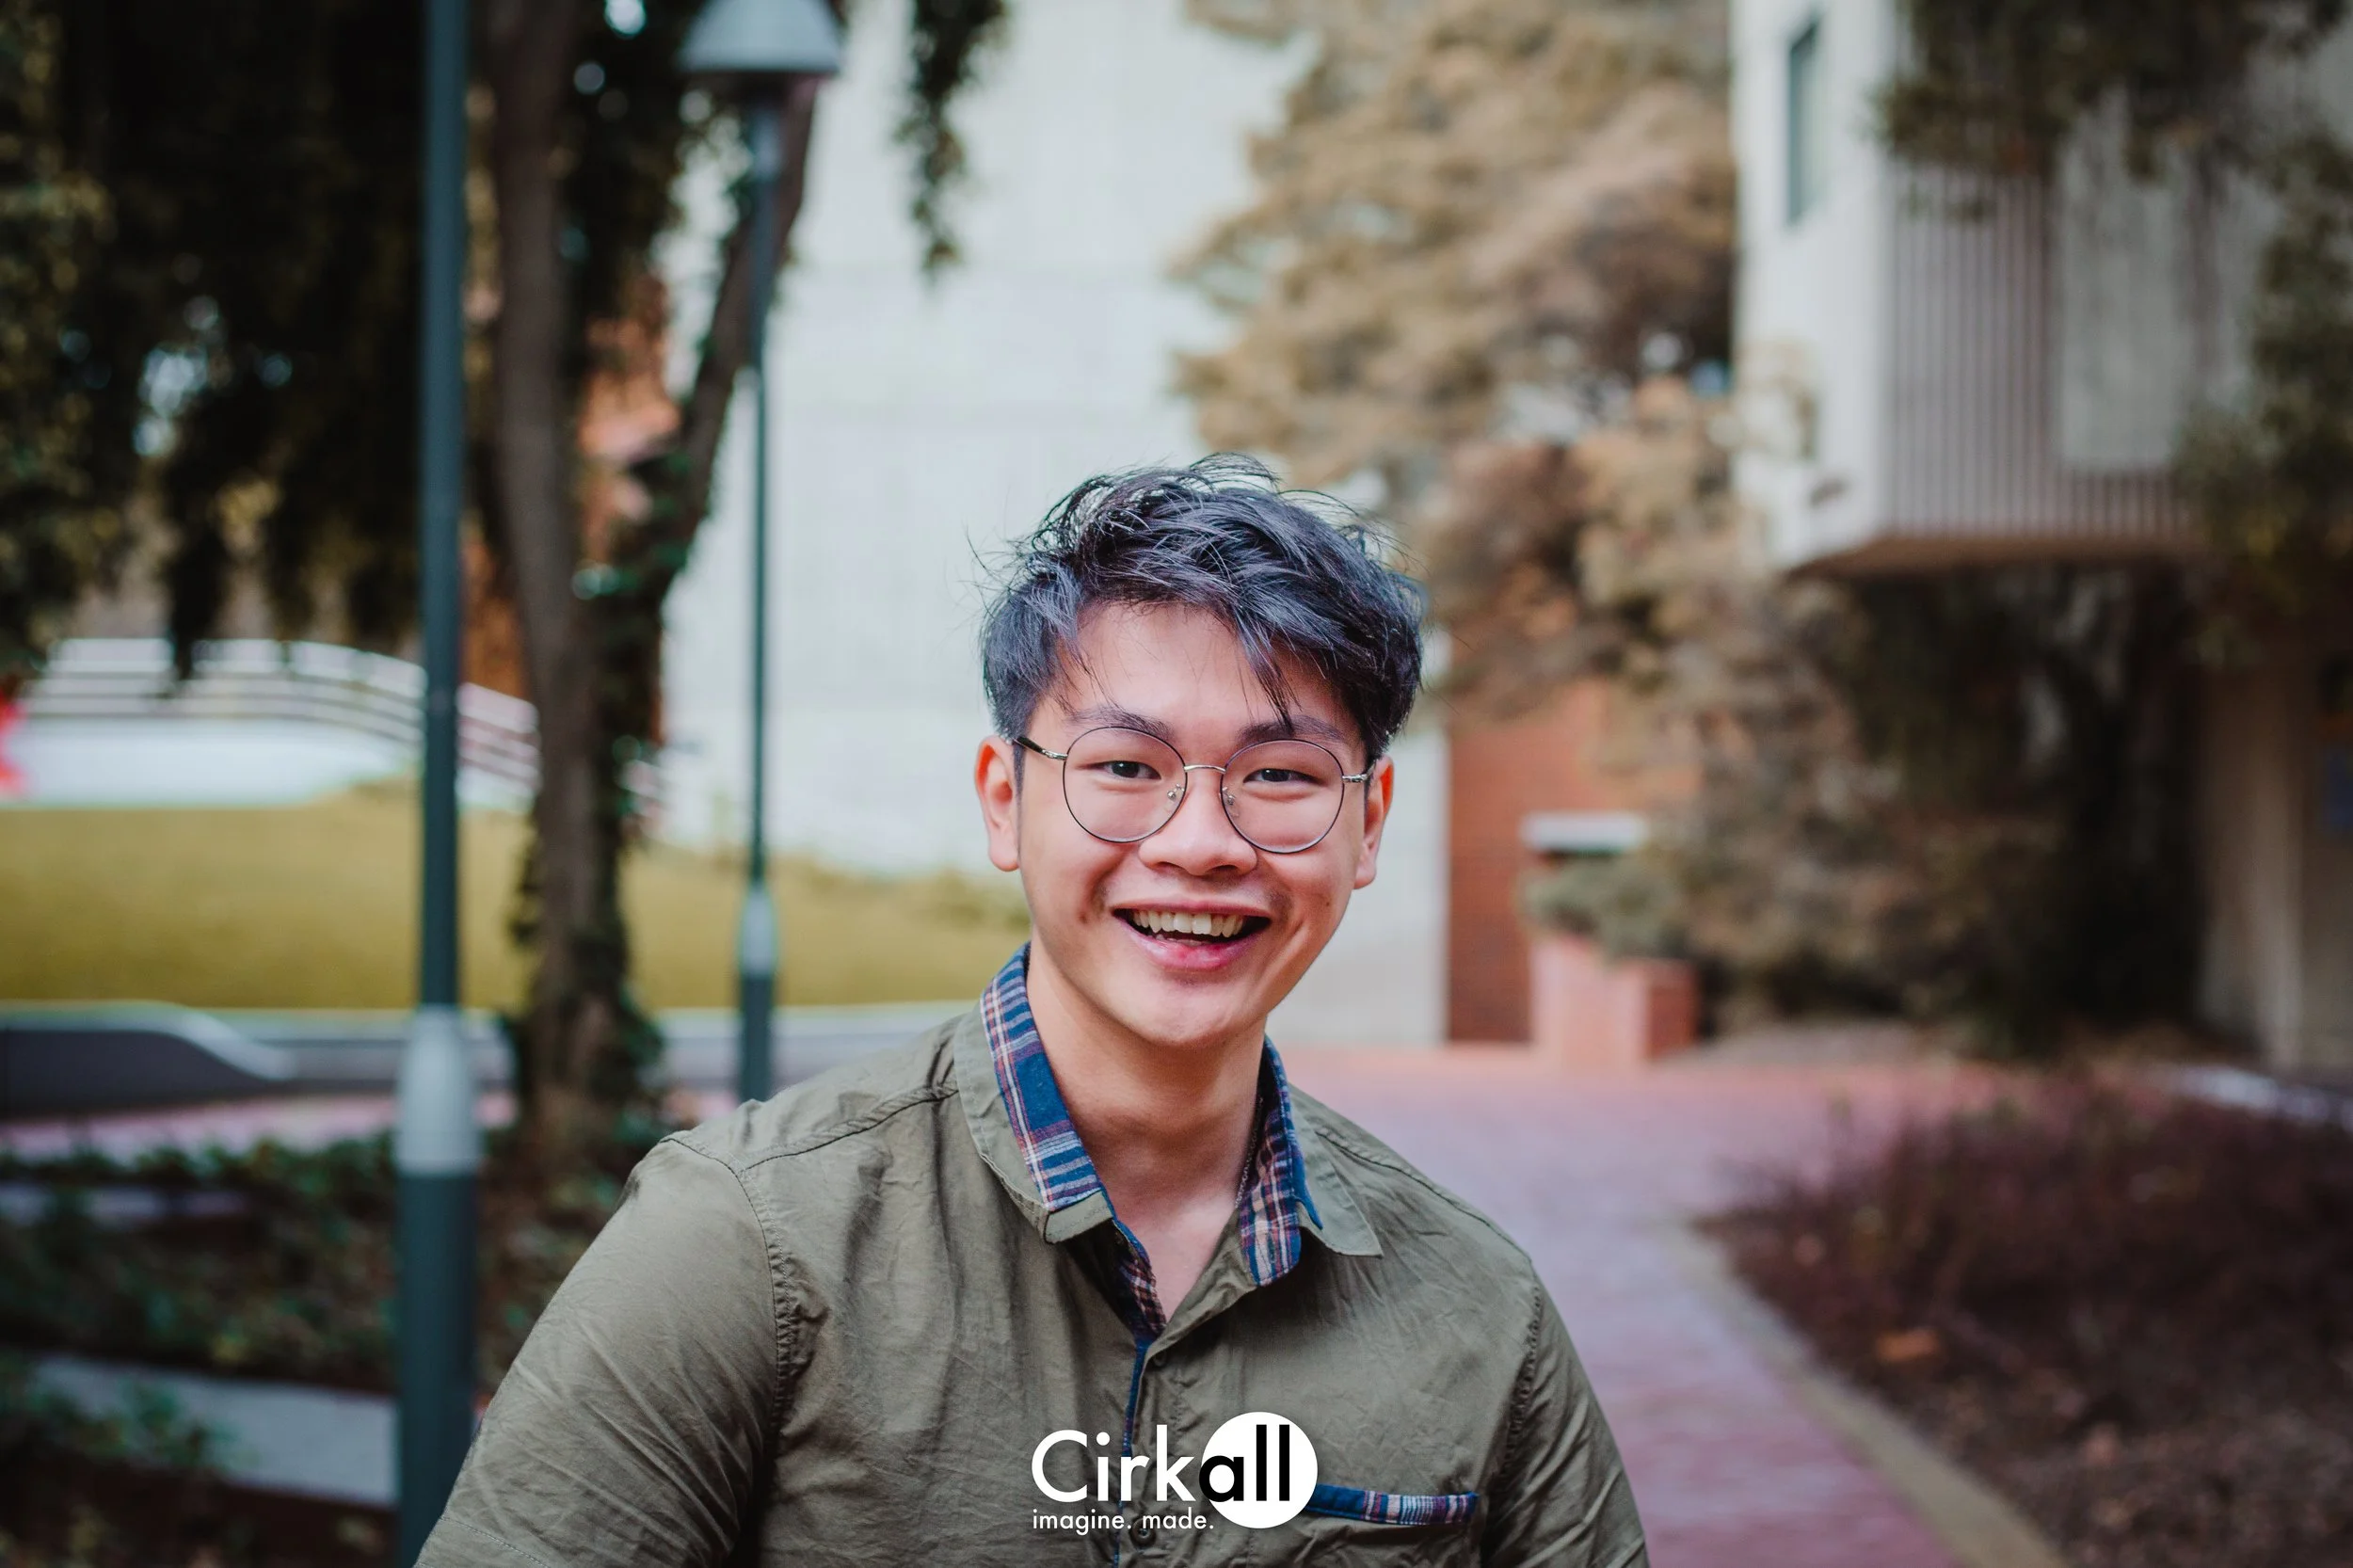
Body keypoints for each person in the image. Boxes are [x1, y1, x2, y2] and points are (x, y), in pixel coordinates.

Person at [420, 458, 1647, 1566]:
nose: (1202, 843)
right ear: (1005, 800)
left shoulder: (1480, 1312)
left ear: (1367, 823)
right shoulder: (749, 1238)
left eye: (1279, 775)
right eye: (1126, 766)